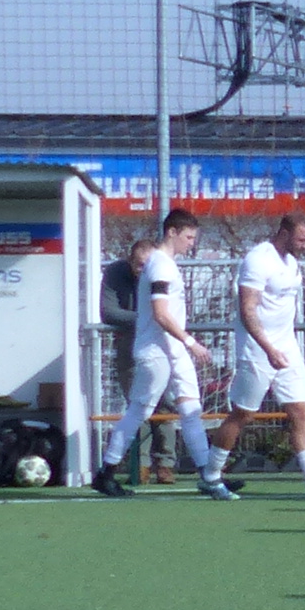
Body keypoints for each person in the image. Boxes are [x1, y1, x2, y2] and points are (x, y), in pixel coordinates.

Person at [91, 210, 237, 500]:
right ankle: (105, 474)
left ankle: (210, 476)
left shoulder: (166, 264)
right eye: (189, 237)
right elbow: (160, 314)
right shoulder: (160, 265)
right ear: (172, 232)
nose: (192, 243)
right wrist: (191, 342)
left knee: (191, 409)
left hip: (173, 350)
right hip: (156, 351)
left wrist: (183, 345)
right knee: (140, 411)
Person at [216, 213, 305, 500]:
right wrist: (268, 348)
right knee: (243, 414)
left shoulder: (292, 263)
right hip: (257, 350)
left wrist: (282, 348)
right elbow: (247, 310)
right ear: (284, 233)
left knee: (300, 411)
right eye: (301, 239)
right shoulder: (258, 260)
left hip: (287, 349)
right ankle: (211, 475)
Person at [102, 237, 174, 482]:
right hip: (129, 347)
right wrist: (149, 318)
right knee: (138, 406)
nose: (143, 270)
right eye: (139, 265)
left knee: (165, 406)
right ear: (129, 261)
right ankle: (140, 465)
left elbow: (171, 313)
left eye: (147, 265)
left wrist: (158, 319)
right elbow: (109, 312)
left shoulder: (164, 271)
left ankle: (165, 464)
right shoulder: (115, 273)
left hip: (162, 346)